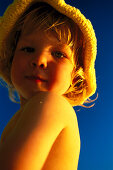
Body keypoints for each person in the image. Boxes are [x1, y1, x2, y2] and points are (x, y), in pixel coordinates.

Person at [0, 0, 97, 169]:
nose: (39, 60)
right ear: (11, 59)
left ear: (75, 77)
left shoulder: (52, 104)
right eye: (28, 49)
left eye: (58, 54)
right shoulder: (22, 117)